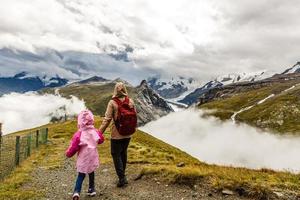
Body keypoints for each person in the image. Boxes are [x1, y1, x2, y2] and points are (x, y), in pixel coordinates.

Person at [99, 82, 137, 187]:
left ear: (115, 90)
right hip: (128, 133)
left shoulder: (112, 102)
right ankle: (122, 176)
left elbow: (107, 120)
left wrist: (99, 133)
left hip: (117, 134)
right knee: (123, 153)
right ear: (124, 90)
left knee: (115, 154)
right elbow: (135, 116)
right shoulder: (130, 101)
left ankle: (122, 178)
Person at [66, 110, 104, 200]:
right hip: (93, 157)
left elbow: (74, 147)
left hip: (83, 158)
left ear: (80, 122)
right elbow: (101, 140)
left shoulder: (79, 134)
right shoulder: (95, 131)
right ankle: (91, 189)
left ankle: (76, 192)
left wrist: (68, 154)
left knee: (81, 175)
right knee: (91, 172)